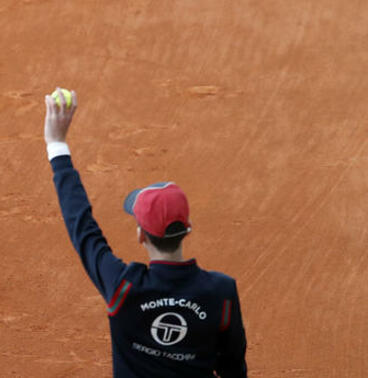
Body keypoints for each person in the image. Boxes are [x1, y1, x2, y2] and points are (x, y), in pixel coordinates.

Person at [42, 88, 246, 376]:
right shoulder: (222, 293)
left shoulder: (124, 288)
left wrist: (57, 145)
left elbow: (82, 227)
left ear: (141, 235)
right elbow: (233, 368)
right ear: (188, 229)